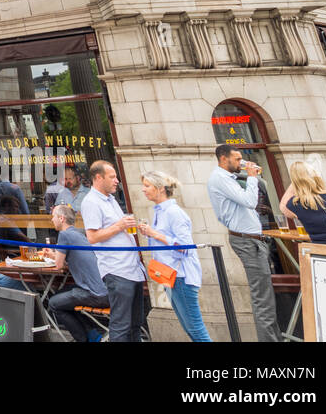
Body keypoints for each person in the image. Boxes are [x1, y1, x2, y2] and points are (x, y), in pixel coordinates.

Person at [207, 145, 279, 342]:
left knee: (265, 294)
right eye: (237, 159)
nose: (242, 163)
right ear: (224, 159)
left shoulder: (229, 179)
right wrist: (253, 177)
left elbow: (244, 207)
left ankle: (274, 338)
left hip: (252, 239)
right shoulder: (220, 179)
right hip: (247, 241)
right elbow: (248, 201)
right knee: (262, 297)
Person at [139, 171, 210, 342]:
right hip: (169, 276)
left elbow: (185, 247)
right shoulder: (159, 211)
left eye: (147, 186)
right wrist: (150, 234)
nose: (143, 190)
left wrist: (154, 234)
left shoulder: (173, 212)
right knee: (190, 328)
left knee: (195, 329)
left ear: (160, 188)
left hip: (181, 276)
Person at [80, 160, 146, 342]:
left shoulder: (110, 200)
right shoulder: (91, 202)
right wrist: (119, 226)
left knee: (135, 323)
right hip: (117, 270)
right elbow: (92, 237)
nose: (117, 180)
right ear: (98, 178)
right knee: (121, 324)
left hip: (132, 269)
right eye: (112, 177)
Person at [44, 204, 109, 342]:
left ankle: (83, 339)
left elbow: (58, 266)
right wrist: (54, 255)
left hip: (94, 294)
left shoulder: (64, 235)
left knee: (54, 303)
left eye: (53, 217)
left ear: (61, 218)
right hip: (105, 291)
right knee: (61, 295)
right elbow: (71, 259)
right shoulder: (78, 233)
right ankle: (92, 335)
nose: (52, 220)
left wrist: (53, 257)